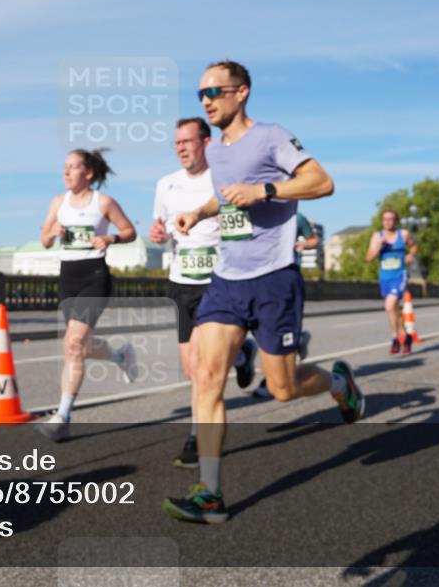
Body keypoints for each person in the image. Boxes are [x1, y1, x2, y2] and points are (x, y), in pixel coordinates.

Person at [162, 60, 363, 524]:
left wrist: (266, 191)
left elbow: (322, 181)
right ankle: (209, 493)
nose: (206, 100)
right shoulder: (217, 154)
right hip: (227, 280)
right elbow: (226, 194)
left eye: (214, 91)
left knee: (283, 388)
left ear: (242, 92)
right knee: (206, 378)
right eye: (200, 94)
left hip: (274, 278)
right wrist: (200, 212)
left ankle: (339, 384)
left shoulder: (272, 136)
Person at [150, 117, 257, 469]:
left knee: (201, 366)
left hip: (219, 279)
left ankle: (198, 436)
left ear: (206, 143)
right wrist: (159, 234)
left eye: (187, 141)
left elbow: (242, 225)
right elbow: (163, 227)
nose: (180, 148)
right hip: (182, 280)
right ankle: (243, 355)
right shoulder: (165, 185)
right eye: (176, 143)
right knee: (189, 366)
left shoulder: (223, 179)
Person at [36, 148, 138, 441]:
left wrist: (111, 237)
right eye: (64, 167)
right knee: (78, 346)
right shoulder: (58, 202)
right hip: (68, 278)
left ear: (88, 173)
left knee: (74, 343)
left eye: (73, 167)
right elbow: (44, 240)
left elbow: (130, 230)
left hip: (94, 276)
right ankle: (120, 356)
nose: (66, 172)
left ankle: (62, 415)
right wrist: (51, 233)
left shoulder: (103, 202)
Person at [253, 211, 317, 399]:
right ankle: (298, 340)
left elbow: (314, 240)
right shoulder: (256, 214)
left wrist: (303, 244)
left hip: (285, 277)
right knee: (264, 330)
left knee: (272, 330)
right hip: (258, 278)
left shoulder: (297, 218)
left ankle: (270, 379)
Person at [365, 209, 418, 355]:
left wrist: (410, 254)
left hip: (399, 275)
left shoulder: (403, 234)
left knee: (389, 306)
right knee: (395, 309)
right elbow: (368, 258)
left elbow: (414, 246)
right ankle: (407, 336)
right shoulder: (377, 236)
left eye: (391, 219)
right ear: (382, 221)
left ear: (396, 221)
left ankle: (395, 339)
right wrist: (378, 247)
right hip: (385, 278)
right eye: (385, 219)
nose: (388, 222)